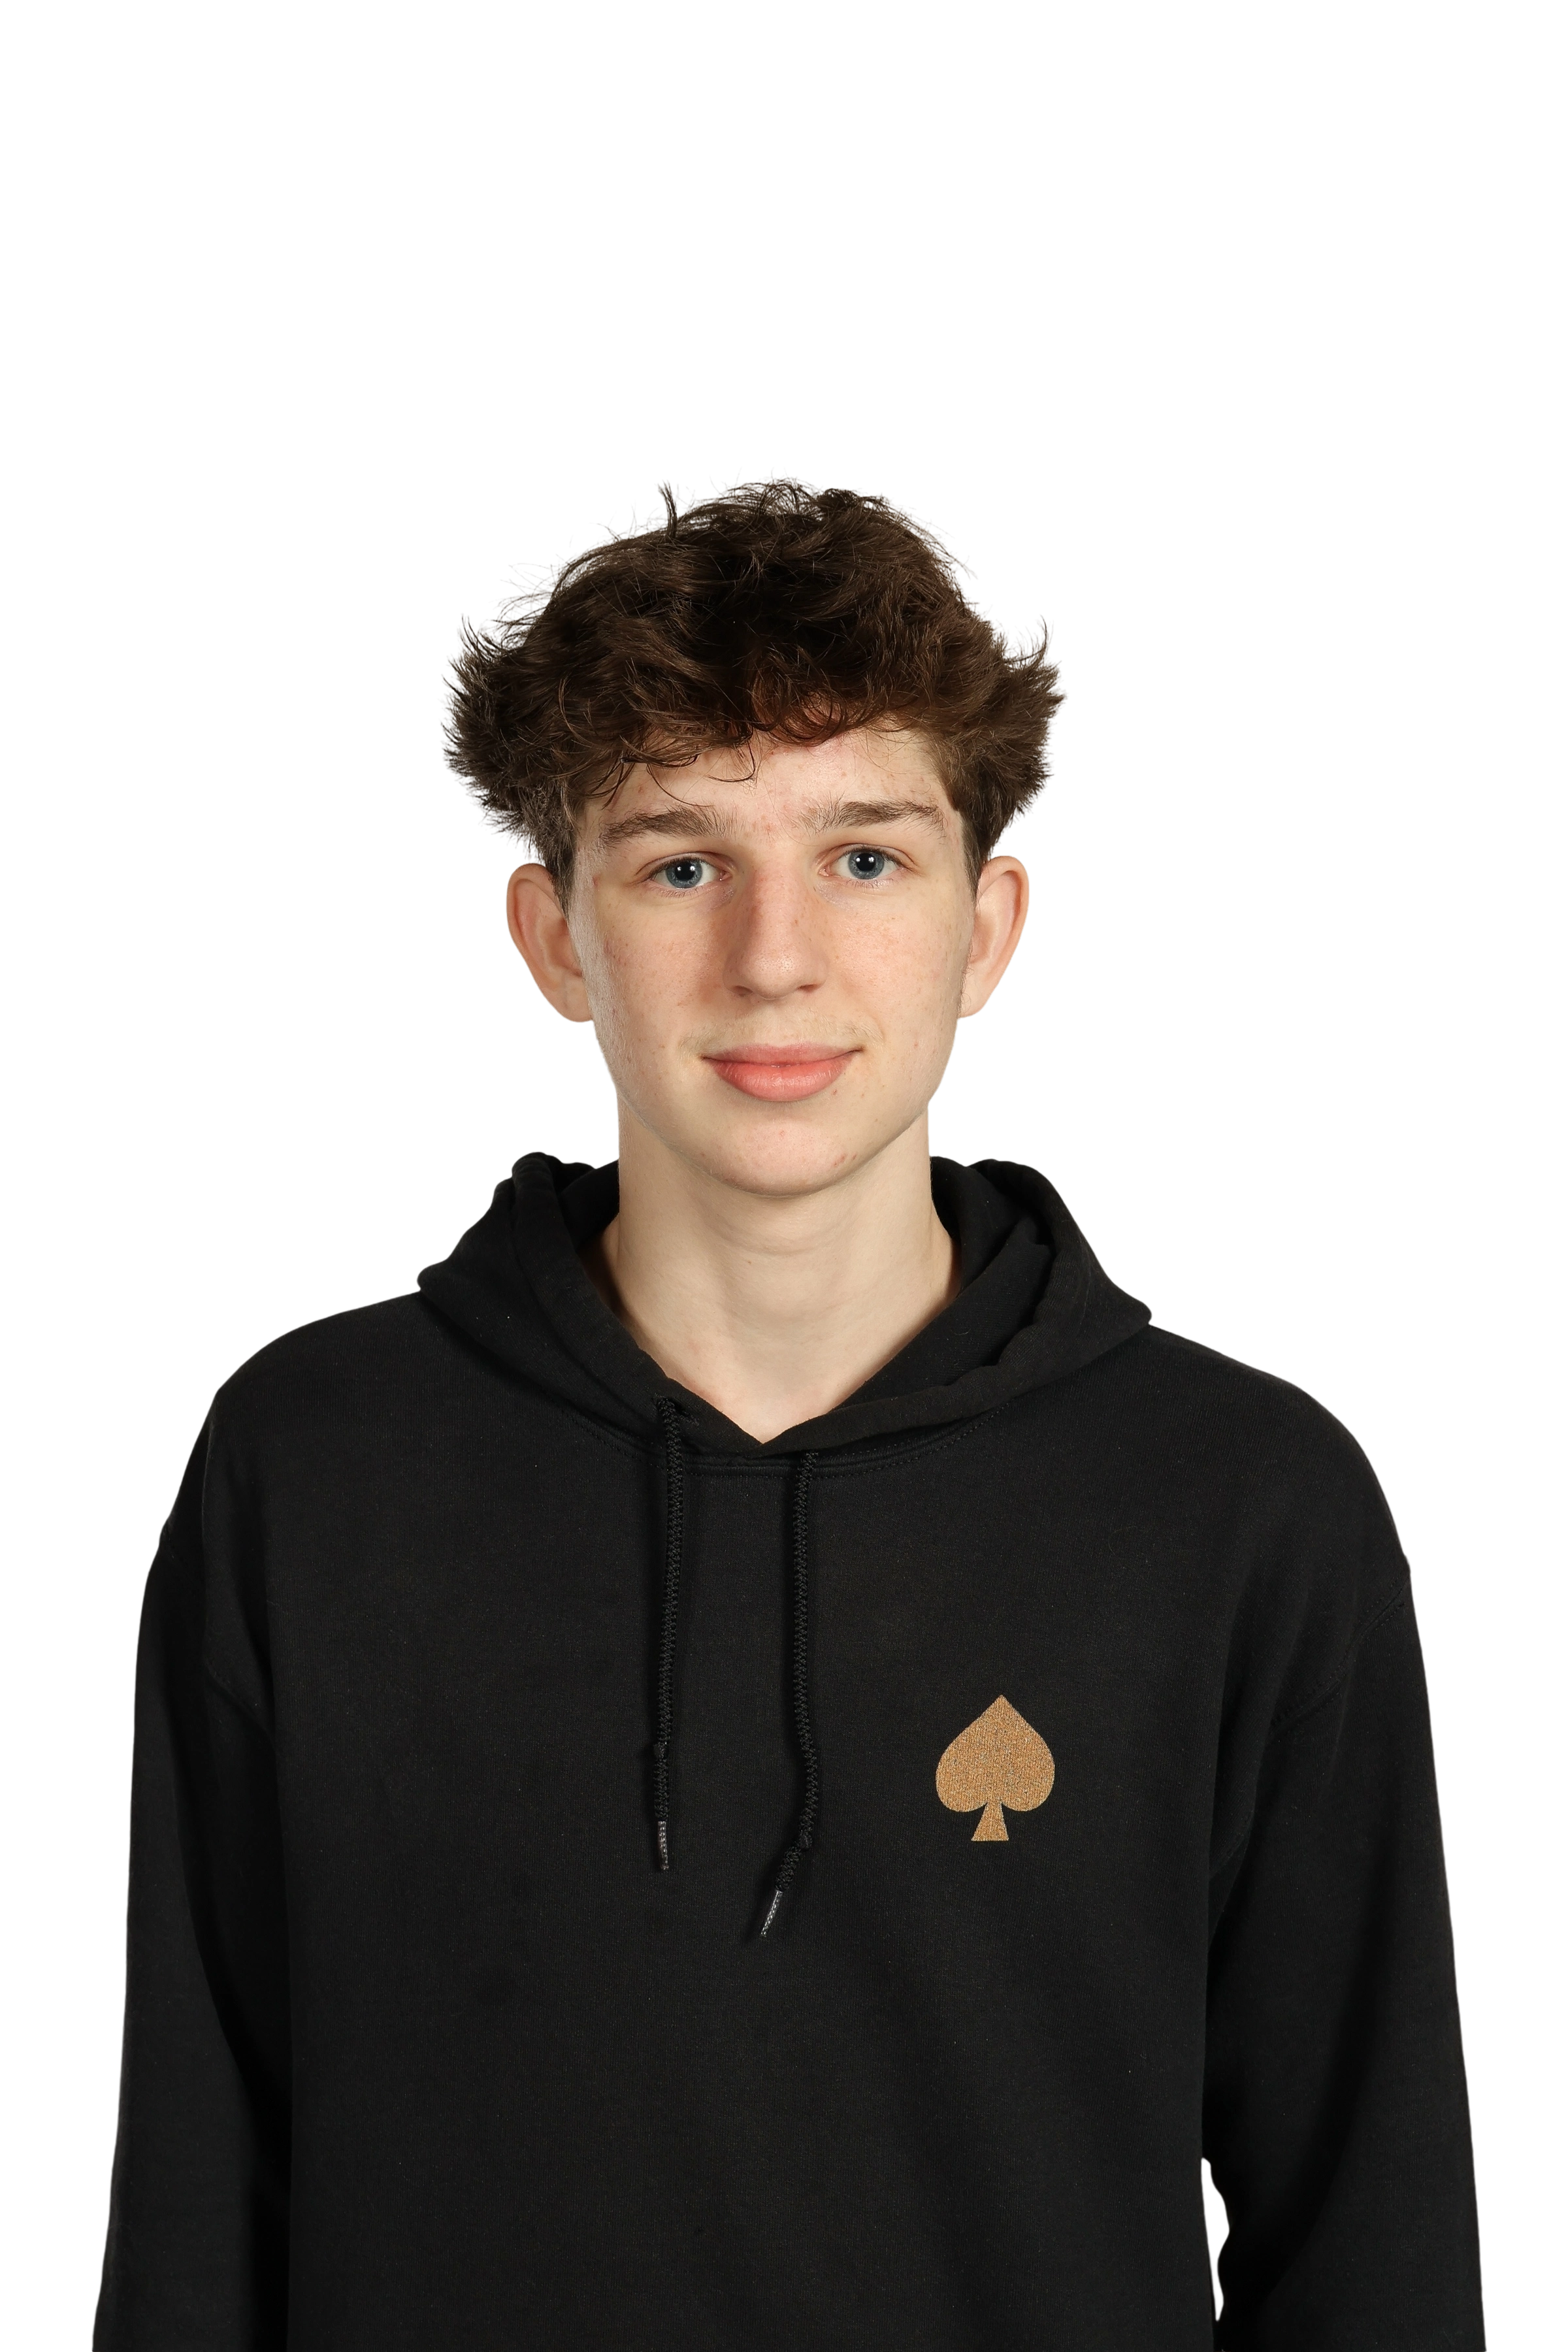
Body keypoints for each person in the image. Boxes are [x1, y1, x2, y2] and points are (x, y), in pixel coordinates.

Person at [92, 469, 1485, 2349]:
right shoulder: (314, 1465)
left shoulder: (1242, 1501)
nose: (774, 957)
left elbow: (1372, 2243)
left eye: (864, 858)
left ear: (988, 924)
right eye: (682, 864)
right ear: (553, 933)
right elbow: (198, 2199)